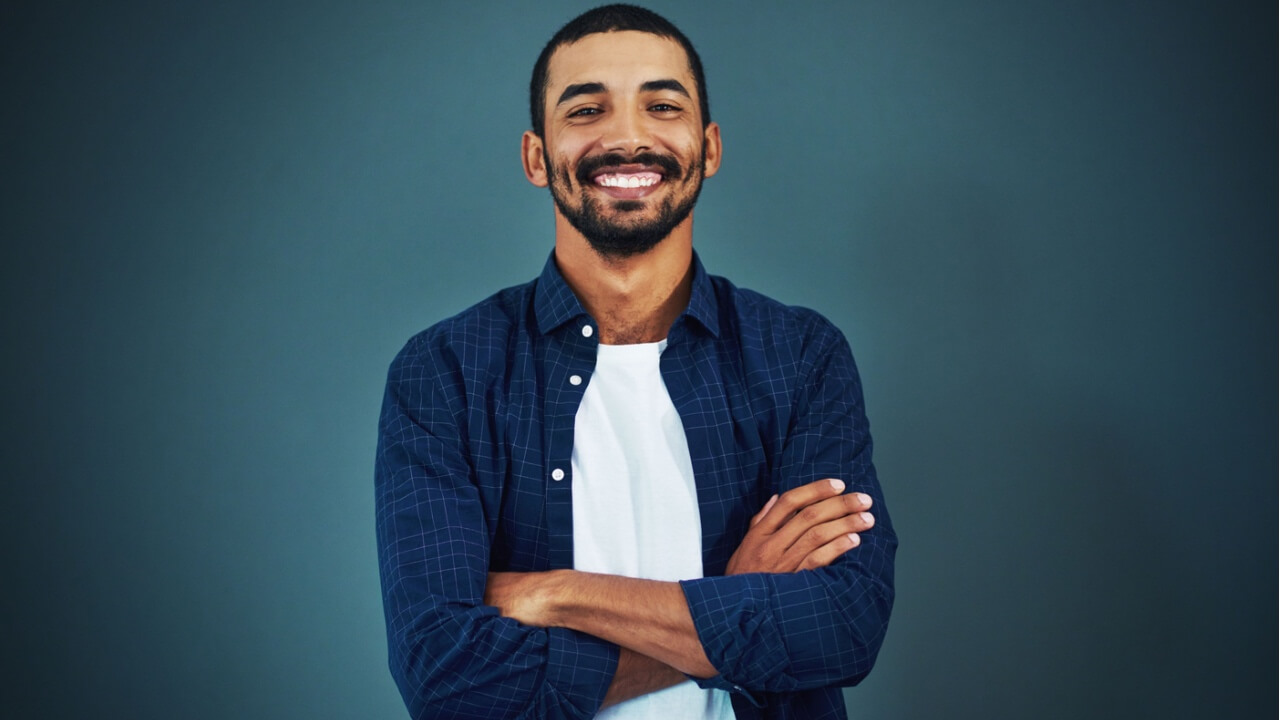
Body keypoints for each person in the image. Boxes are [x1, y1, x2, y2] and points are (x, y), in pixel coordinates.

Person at [375, 5, 896, 719]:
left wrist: (553, 592)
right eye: (587, 109)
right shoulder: (445, 373)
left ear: (708, 147)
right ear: (536, 157)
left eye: (662, 105)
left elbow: (843, 626)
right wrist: (736, 603)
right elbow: (446, 677)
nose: (627, 137)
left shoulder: (799, 356)